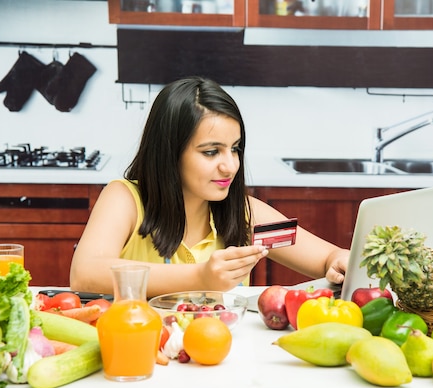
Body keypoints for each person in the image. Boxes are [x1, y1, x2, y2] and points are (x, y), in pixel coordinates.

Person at [70, 76, 349, 298]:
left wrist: (336, 260)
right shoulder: (125, 200)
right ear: (170, 153)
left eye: (235, 149)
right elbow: (85, 273)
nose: (230, 166)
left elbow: (326, 258)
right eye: (211, 152)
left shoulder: (246, 215)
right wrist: (201, 278)